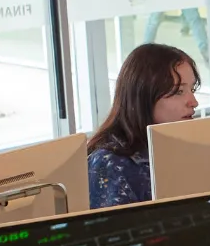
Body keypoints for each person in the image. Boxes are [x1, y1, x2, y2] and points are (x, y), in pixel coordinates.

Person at [86, 43, 200, 208]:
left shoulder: (186, 145)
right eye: (178, 92)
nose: (193, 102)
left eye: (192, 89)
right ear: (144, 97)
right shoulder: (111, 164)